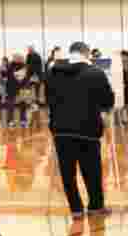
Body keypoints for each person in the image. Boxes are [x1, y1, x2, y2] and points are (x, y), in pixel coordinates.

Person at [46, 42, 115, 218]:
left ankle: (75, 209)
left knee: (67, 172)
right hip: (87, 129)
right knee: (92, 171)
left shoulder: (53, 72)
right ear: (86, 53)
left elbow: (48, 99)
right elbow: (107, 101)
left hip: (61, 130)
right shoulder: (96, 73)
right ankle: (95, 206)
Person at [3, 53, 31, 128]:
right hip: (12, 88)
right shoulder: (10, 66)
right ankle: (10, 121)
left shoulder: (25, 66)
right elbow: (5, 76)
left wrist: (27, 88)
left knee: (23, 105)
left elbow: (27, 77)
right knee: (10, 105)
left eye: (20, 57)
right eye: (17, 57)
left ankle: (23, 121)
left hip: (23, 88)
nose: (19, 58)